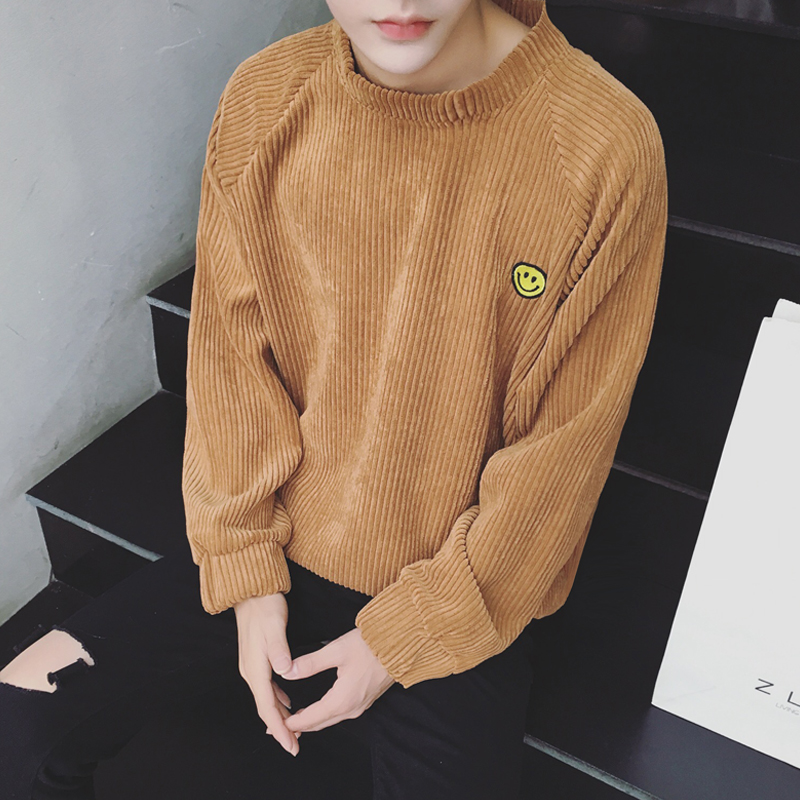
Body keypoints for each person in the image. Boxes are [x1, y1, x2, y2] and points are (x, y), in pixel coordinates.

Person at [0, 1, 669, 798]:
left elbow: (563, 452)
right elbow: (229, 359)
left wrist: (404, 636)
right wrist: (247, 573)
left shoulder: (603, 143)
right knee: (20, 724)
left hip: (457, 586)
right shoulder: (268, 97)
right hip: (281, 549)